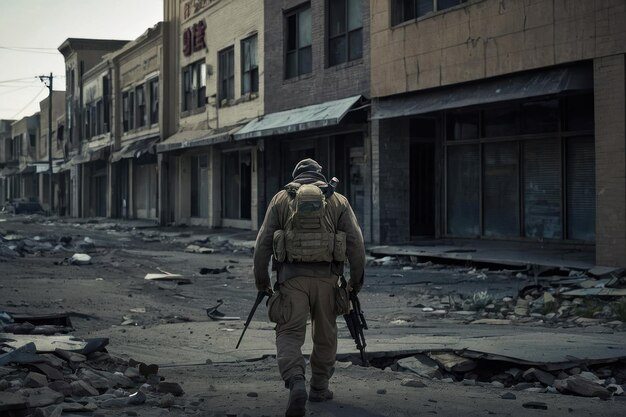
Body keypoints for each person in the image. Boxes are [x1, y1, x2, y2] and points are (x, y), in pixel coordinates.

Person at [253, 158, 366, 417]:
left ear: (296, 177)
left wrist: (262, 283)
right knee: (325, 334)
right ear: (320, 176)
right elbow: (356, 246)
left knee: (289, 333)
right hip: (328, 280)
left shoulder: (281, 199)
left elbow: (262, 245)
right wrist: (354, 284)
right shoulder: (338, 201)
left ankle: (295, 382)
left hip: (291, 280)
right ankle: (319, 387)